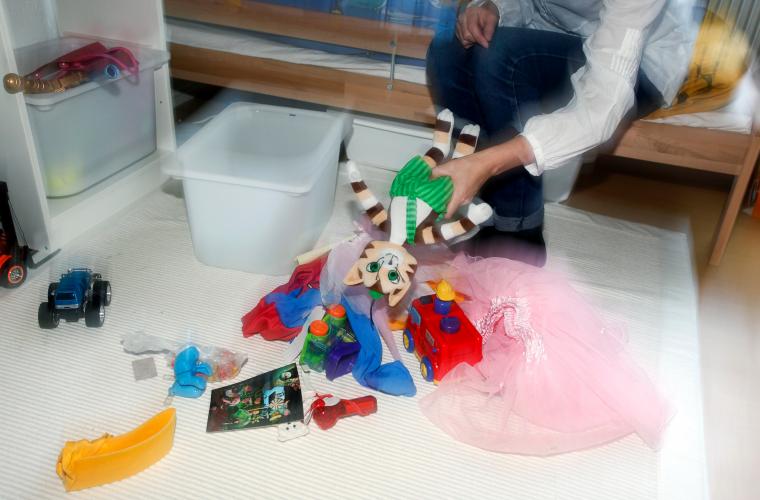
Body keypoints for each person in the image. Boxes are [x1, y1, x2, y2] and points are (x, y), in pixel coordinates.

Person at [427, 0, 699, 265]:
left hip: (640, 60)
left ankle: (518, 232)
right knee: (447, 50)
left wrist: (492, 162)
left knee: (498, 56)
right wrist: (494, 8)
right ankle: (483, 207)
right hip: (559, 34)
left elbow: (603, 107)